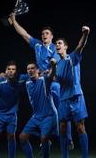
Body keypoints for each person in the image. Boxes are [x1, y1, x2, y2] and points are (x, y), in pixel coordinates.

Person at [8, 13, 74, 150]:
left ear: (51, 37)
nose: (44, 35)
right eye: (43, 33)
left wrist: (48, 73)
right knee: (38, 110)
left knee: (60, 111)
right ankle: (47, 137)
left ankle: (68, 139)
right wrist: (14, 21)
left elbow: (55, 68)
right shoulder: (37, 45)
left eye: (47, 33)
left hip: (52, 82)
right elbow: (24, 34)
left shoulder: (55, 49)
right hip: (38, 80)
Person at [55, 26, 90, 158]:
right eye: (56, 44)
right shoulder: (57, 65)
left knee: (80, 127)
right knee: (63, 128)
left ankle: (85, 156)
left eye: (59, 43)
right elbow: (54, 78)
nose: (57, 45)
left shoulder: (72, 57)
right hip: (63, 99)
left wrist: (86, 34)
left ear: (65, 47)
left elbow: (80, 46)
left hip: (76, 97)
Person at [19, 61, 58, 158]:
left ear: (37, 70)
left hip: (49, 115)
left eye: (32, 68)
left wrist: (53, 66)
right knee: (22, 138)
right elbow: (14, 78)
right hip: (36, 116)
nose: (30, 70)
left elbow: (51, 74)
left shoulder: (44, 80)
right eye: (28, 69)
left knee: (43, 138)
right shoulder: (27, 82)